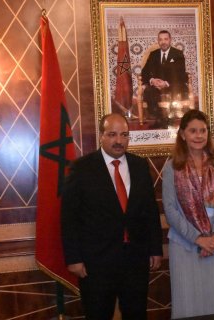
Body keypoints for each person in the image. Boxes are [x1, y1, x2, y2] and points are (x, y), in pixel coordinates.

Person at [61, 113, 163, 320]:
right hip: (96, 262)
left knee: (136, 314)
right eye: (112, 134)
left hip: (135, 259)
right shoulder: (82, 169)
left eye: (124, 135)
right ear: (101, 136)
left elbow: (150, 211)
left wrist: (155, 249)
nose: (119, 141)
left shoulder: (140, 166)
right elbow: (69, 218)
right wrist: (74, 258)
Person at [162, 110, 214, 318]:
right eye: (193, 131)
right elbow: (170, 210)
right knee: (191, 306)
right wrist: (198, 239)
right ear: (182, 134)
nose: (199, 136)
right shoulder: (172, 166)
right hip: (186, 245)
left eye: (203, 131)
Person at [141, 30, 188, 125]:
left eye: (166, 39)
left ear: (170, 40)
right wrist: (152, 80)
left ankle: (165, 119)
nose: (163, 42)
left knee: (178, 88)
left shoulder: (178, 54)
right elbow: (144, 72)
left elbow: (181, 74)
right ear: (158, 41)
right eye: (160, 39)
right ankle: (161, 117)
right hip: (156, 86)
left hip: (173, 85)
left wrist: (166, 83)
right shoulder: (153, 54)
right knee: (148, 91)